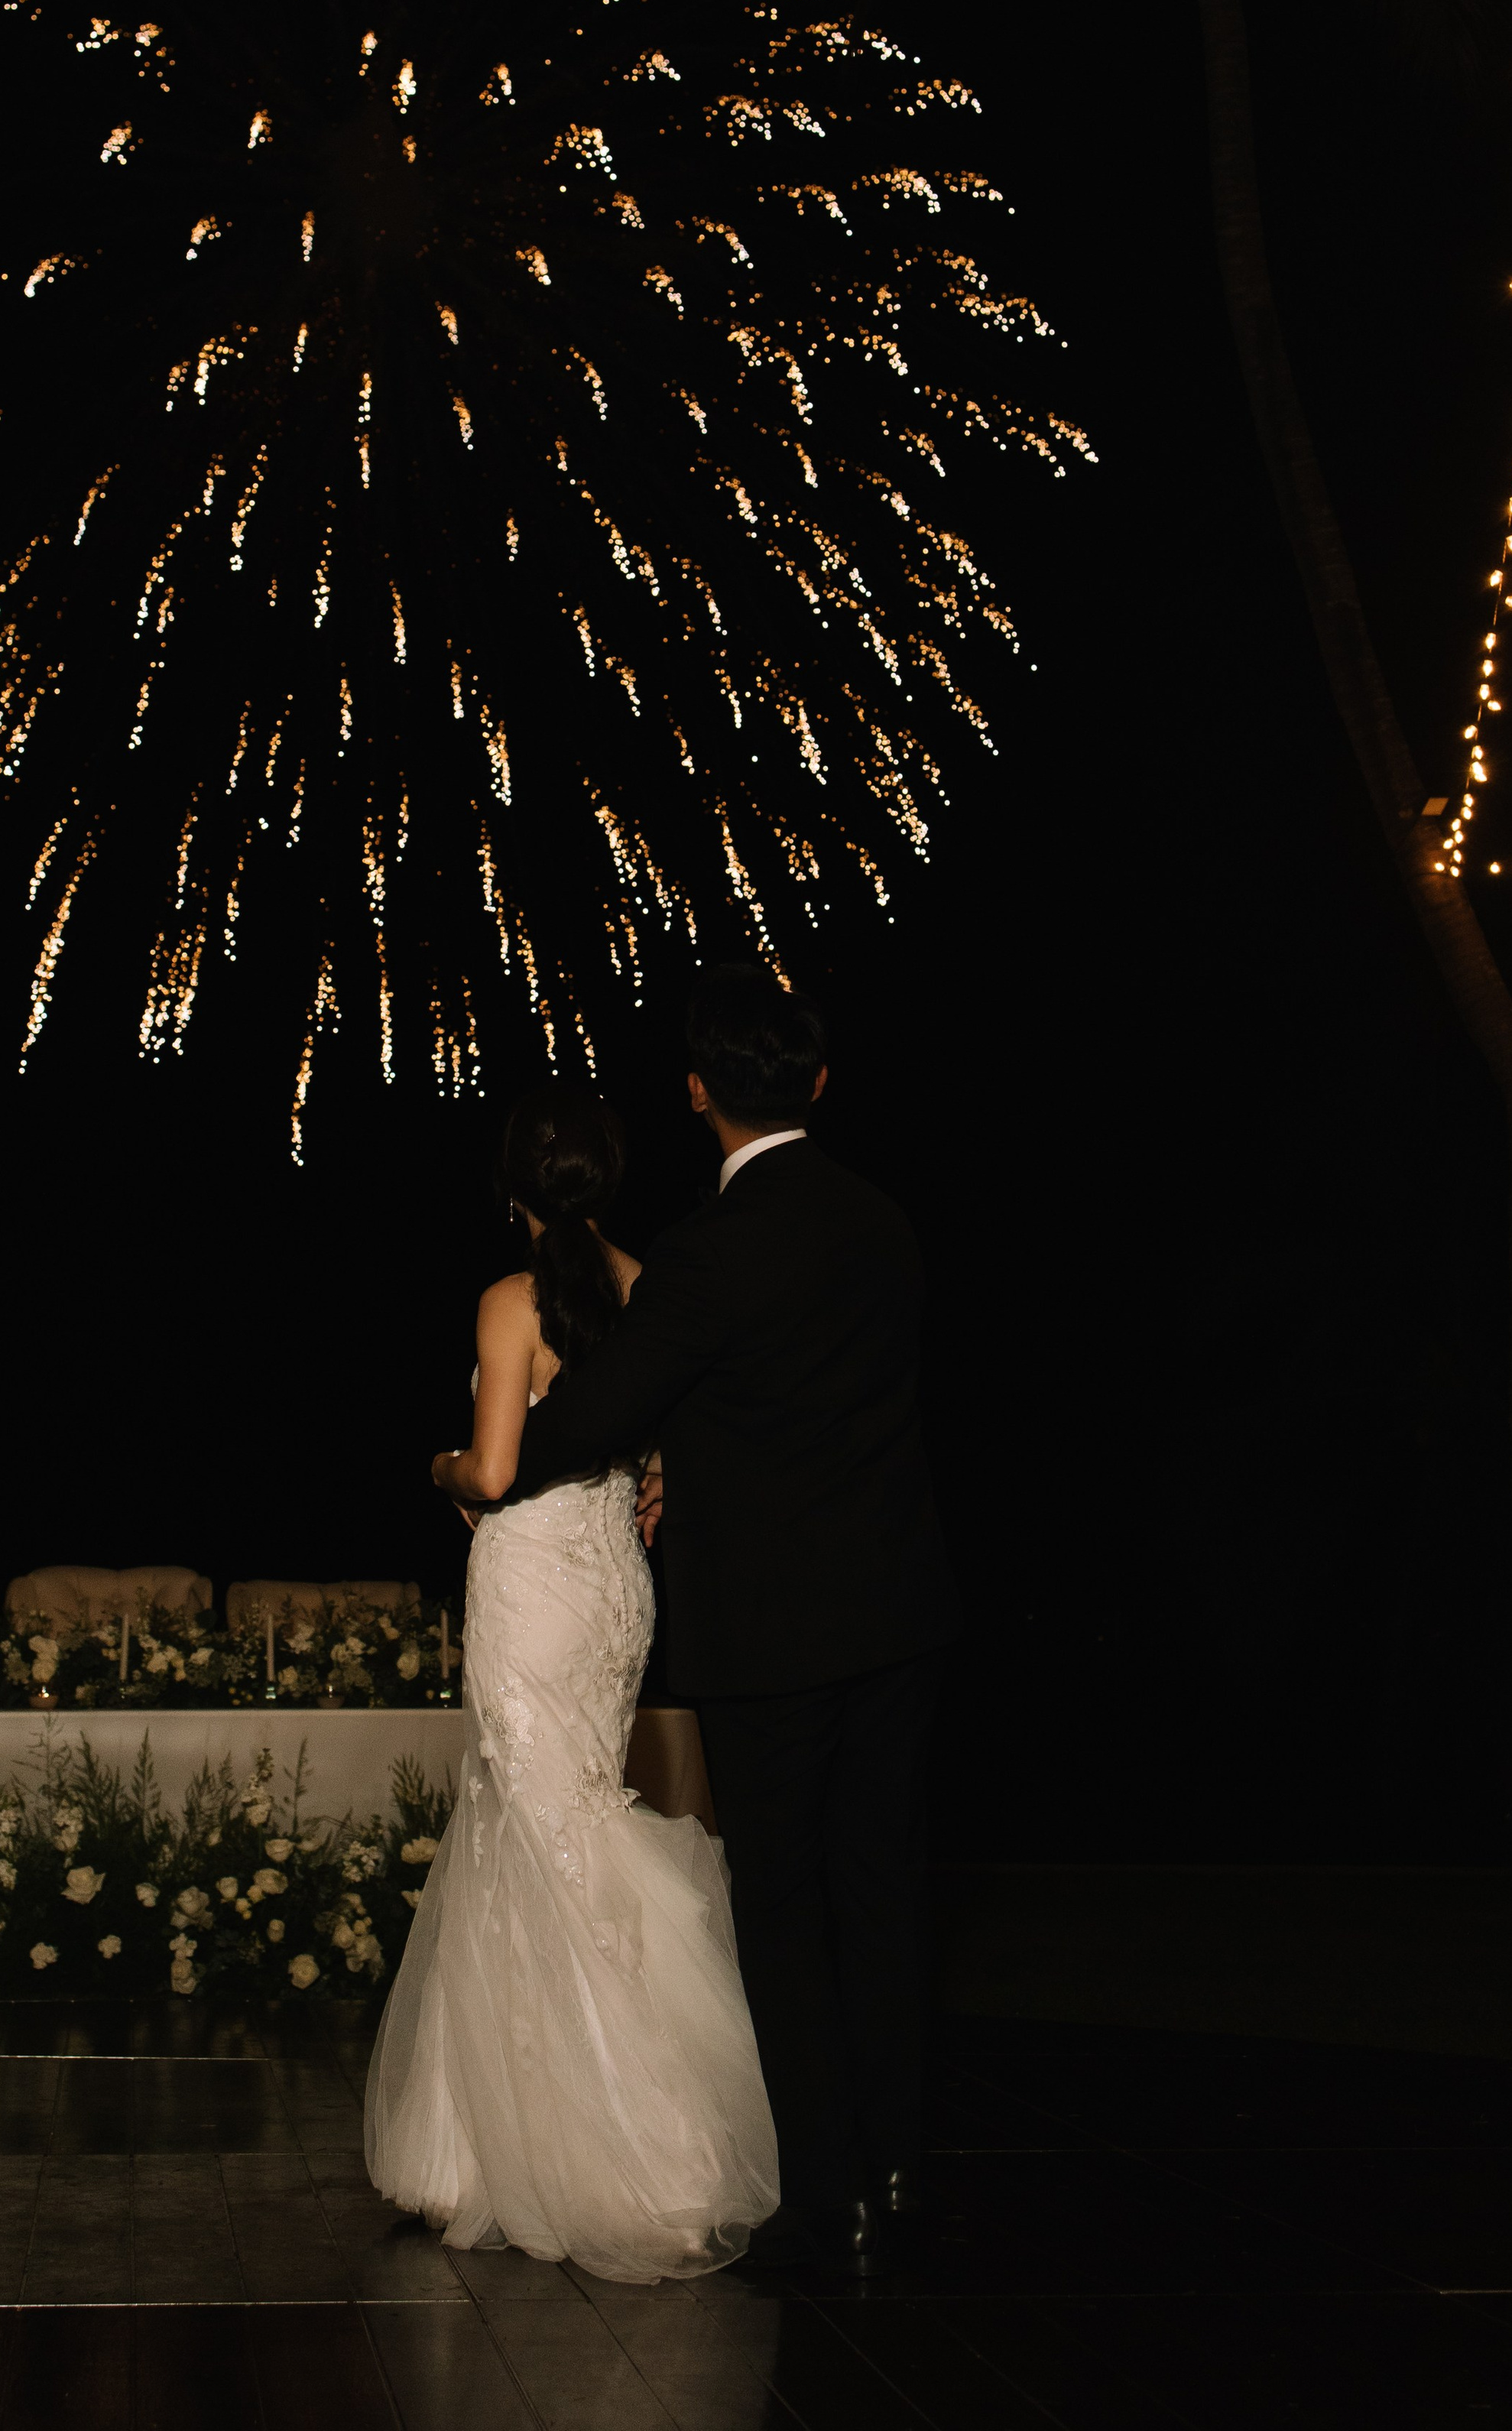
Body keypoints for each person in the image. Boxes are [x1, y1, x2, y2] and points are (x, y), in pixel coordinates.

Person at [511, 964, 960, 2275]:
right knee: (884, 1895)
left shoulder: (707, 1256)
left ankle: (829, 2194)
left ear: (699, 1092)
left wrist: (490, 1466)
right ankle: (897, 2168)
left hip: (770, 1632)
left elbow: (597, 1415)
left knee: (784, 1904)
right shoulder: (887, 1224)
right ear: (818, 1084)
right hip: (903, 1614)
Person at [362, 1082, 779, 2283]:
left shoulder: (510, 1300)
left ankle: (616, 2146)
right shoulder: (652, 1286)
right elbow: (669, 1449)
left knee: (535, 1827)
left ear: (512, 1187)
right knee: (563, 1818)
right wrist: (655, 1485)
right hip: (611, 1591)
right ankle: (502, 2140)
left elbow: (494, 1473)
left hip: (534, 1582)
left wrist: (435, 1463)